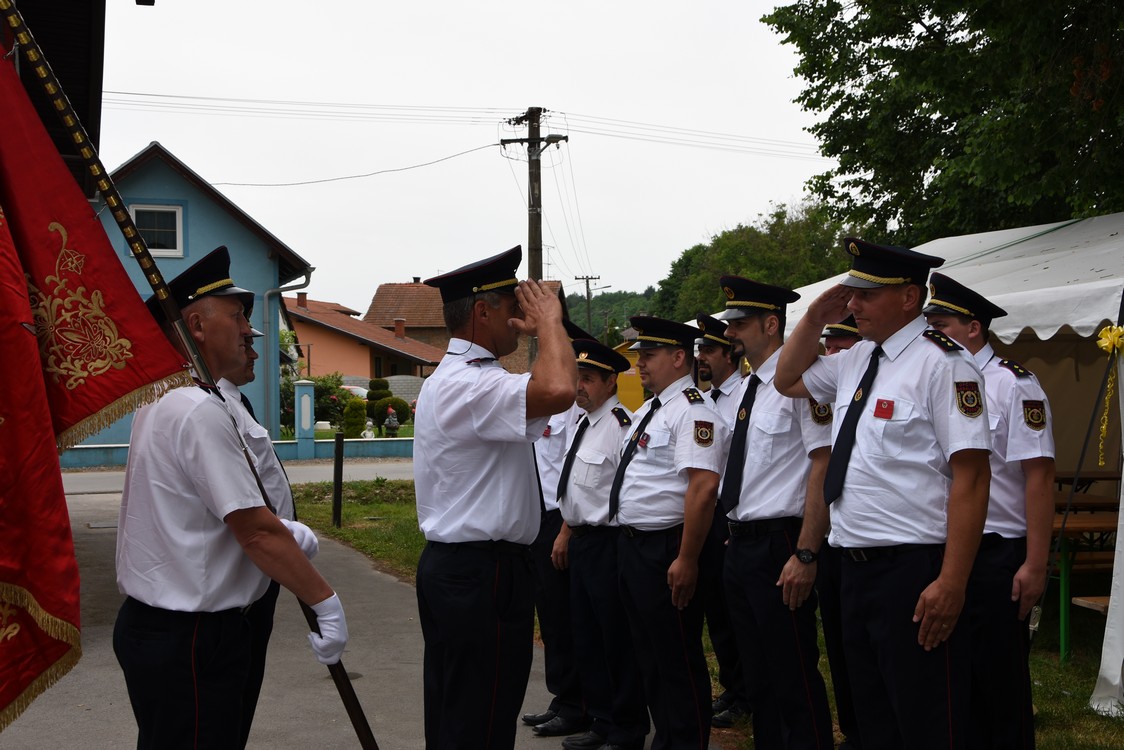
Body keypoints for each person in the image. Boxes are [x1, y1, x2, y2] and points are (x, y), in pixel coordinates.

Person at [114, 246, 348, 750]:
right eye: (238, 315)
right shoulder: (195, 408)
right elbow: (254, 531)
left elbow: (213, 512)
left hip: (187, 631)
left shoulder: (186, 398)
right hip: (193, 636)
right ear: (197, 326)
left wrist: (284, 530)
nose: (249, 329)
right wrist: (324, 602)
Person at [774, 237, 992, 749]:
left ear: (909, 297)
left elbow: (972, 478)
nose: (853, 304)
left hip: (912, 570)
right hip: (854, 566)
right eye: (852, 293)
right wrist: (812, 318)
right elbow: (785, 379)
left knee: (926, 721)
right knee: (873, 720)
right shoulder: (856, 359)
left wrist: (952, 582)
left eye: (867, 294)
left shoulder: (944, 364)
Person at [413, 246, 577, 750]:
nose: (520, 317)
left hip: (472, 570)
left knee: (466, 715)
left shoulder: (465, 380)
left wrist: (545, 330)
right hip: (479, 574)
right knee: (479, 723)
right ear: (482, 312)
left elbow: (549, 388)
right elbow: (560, 389)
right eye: (512, 305)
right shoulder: (470, 384)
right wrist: (550, 322)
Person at [924, 272, 1055, 749]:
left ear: (974, 327)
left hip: (997, 550)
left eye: (941, 325)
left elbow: (1039, 476)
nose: (931, 335)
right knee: (953, 679)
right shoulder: (935, 378)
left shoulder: (1014, 384)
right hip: (944, 545)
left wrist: (1035, 564)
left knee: (999, 683)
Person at [716, 276, 833, 748]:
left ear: (770, 324)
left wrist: (806, 552)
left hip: (781, 543)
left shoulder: (802, 381)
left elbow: (822, 463)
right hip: (742, 542)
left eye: (739, 323)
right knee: (759, 674)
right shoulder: (748, 388)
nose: (729, 333)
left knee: (792, 673)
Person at [612, 315, 730, 750]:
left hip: (667, 547)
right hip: (634, 547)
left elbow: (703, 488)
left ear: (680, 357)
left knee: (676, 659)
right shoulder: (652, 408)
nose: (640, 363)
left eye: (649, 355)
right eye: (639, 355)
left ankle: (685, 741)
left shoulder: (694, 411)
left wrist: (687, 558)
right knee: (650, 657)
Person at [216, 326, 320, 748]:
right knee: (223, 713)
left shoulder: (234, 400)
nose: (254, 352)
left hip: (260, 578)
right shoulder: (209, 406)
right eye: (245, 342)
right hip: (236, 586)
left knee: (240, 703)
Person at [551, 336, 648, 750]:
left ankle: (627, 728)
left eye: (589, 378)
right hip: (583, 542)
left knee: (616, 639)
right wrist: (566, 531)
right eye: (578, 377)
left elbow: (626, 492)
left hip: (609, 544)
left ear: (611, 382)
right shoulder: (583, 423)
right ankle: (602, 720)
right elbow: (578, 489)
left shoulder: (622, 427)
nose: (580, 386)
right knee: (588, 636)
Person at [692, 313, 752, 728]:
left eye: (710, 350)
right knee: (716, 607)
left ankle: (746, 693)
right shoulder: (703, 401)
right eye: (700, 350)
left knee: (735, 612)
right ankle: (732, 687)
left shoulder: (746, 394)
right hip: (708, 514)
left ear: (730, 354)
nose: (702, 357)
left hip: (733, 513)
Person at [812, 314, 864, 750]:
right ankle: (852, 728)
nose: (831, 354)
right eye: (827, 346)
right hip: (836, 532)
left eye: (839, 346)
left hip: (875, 536)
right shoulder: (836, 384)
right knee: (842, 642)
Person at [522, 388, 587, 739]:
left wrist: (566, 529)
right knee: (548, 615)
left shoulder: (573, 410)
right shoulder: (535, 404)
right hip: (534, 518)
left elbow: (576, 474)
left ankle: (578, 705)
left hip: (558, 520)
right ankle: (562, 696)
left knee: (564, 616)